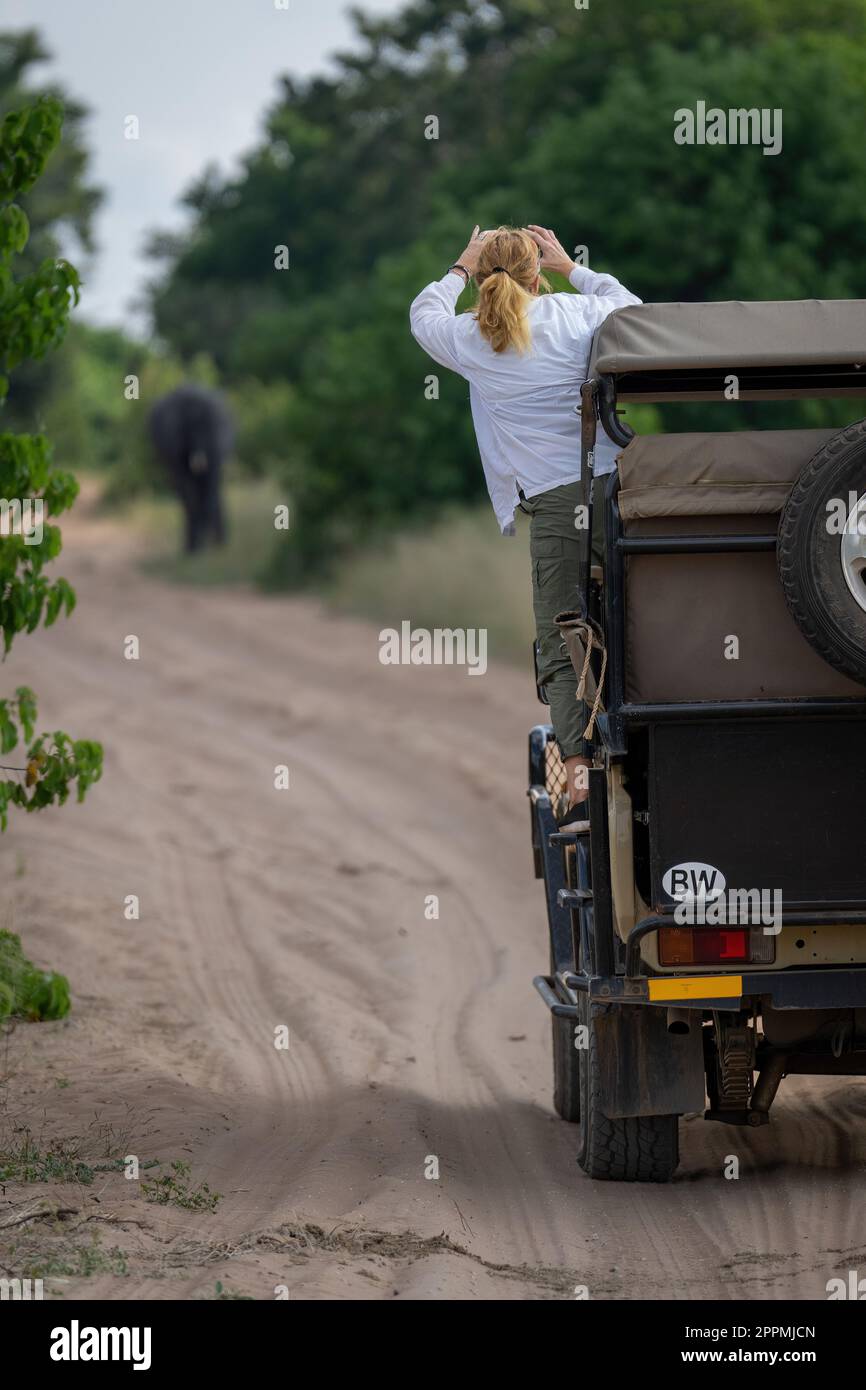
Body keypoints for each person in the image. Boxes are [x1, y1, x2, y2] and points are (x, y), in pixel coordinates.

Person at [409, 224, 641, 827]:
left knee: (566, 640)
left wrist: (459, 267)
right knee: (641, 615)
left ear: (484, 278)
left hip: (558, 508)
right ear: (538, 274)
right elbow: (633, 312)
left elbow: (422, 314)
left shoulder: (471, 337)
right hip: (623, 493)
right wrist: (573, 267)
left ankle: (583, 783)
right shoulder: (575, 313)